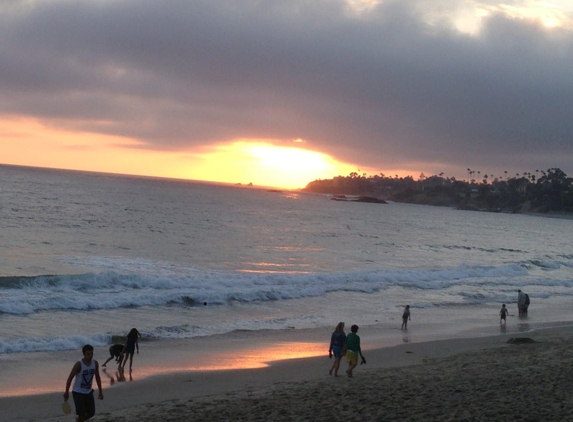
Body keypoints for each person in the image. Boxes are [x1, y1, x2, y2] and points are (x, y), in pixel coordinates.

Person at [63, 344, 103, 422]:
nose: (90, 356)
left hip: (88, 392)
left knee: (91, 413)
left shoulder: (95, 363)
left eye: (91, 353)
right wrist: (66, 391)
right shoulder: (79, 364)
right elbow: (70, 378)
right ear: (84, 354)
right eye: (88, 354)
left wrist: (100, 391)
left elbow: (97, 377)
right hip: (78, 392)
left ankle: (78, 420)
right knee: (81, 413)